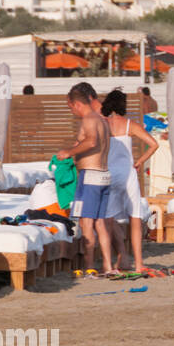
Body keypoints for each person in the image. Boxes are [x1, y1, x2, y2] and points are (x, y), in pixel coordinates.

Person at [55, 83, 115, 275]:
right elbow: (93, 142)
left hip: (90, 176)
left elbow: (92, 142)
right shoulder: (102, 120)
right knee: (100, 223)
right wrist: (77, 146)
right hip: (103, 175)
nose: (71, 111)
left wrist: (69, 152)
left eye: (70, 107)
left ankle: (89, 266)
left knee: (86, 222)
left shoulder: (89, 118)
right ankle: (107, 265)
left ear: (76, 104)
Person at [100, 90, 158, 275]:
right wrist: (140, 161)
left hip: (108, 174)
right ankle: (139, 263)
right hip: (128, 174)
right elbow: (154, 144)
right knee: (134, 218)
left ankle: (109, 263)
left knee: (108, 219)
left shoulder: (104, 125)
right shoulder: (129, 125)